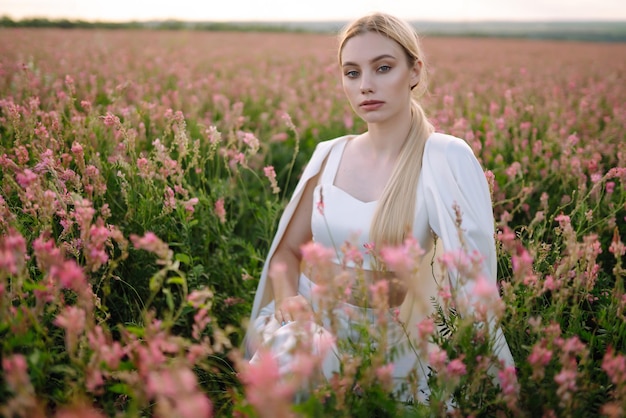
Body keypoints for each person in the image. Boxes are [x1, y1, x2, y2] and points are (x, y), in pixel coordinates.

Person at [244, 12, 515, 403]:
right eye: (351, 73)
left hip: (390, 339)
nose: (366, 86)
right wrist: (288, 297)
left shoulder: (442, 156)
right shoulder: (330, 155)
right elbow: (287, 251)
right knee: (293, 354)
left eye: (383, 68)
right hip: (306, 323)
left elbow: (474, 275)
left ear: (414, 71)